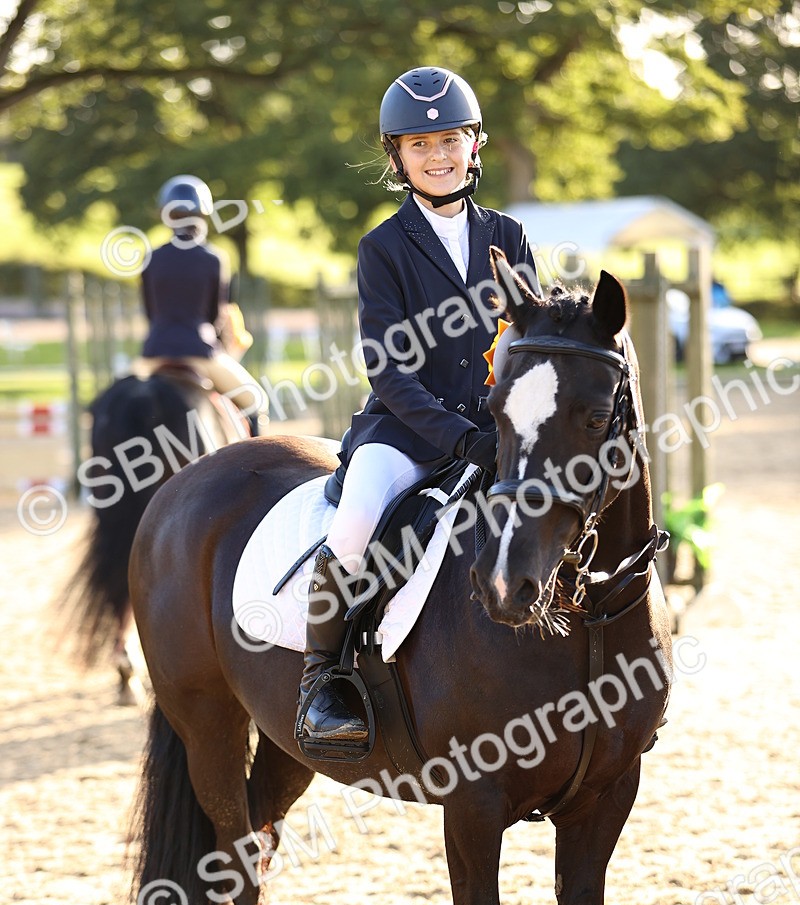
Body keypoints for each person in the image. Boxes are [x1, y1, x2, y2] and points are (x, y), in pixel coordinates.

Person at [296, 66, 540, 751]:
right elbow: (388, 368)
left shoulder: (511, 235)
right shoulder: (382, 248)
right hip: (403, 432)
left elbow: (530, 335)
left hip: (496, 432)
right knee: (353, 530)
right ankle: (324, 678)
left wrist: (508, 425)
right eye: (419, 145)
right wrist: (459, 438)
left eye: (449, 140)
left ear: (475, 144)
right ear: (396, 158)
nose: (438, 156)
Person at [136, 175, 267, 426]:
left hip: (153, 353)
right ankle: (259, 464)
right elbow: (214, 316)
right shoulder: (214, 259)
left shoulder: (151, 258)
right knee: (257, 402)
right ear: (203, 214)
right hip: (199, 352)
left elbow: (151, 313)